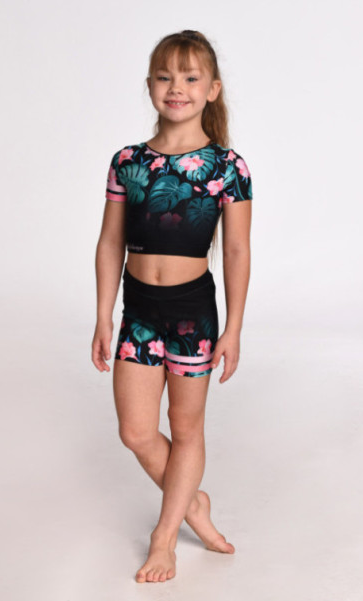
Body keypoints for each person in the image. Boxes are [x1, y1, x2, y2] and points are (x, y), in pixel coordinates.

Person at [92, 29, 253, 584]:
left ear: (212, 89)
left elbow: (237, 249)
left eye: (189, 77)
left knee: (185, 428)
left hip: (192, 313)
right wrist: (103, 315)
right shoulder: (128, 161)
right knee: (136, 431)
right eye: (164, 77)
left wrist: (233, 328)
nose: (176, 87)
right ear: (149, 86)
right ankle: (193, 503)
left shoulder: (228, 167)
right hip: (138, 310)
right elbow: (110, 242)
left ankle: (165, 537)